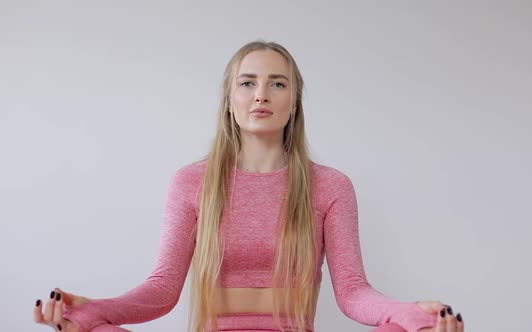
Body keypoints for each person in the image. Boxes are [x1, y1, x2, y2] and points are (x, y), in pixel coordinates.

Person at [33, 40, 465, 332]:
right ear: (230, 100)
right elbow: (162, 289)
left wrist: (408, 315)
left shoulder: (330, 186)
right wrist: (92, 311)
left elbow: (353, 292)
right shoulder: (191, 182)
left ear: (294, 101)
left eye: (278, 84)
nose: (262, 94)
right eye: (248, 83)